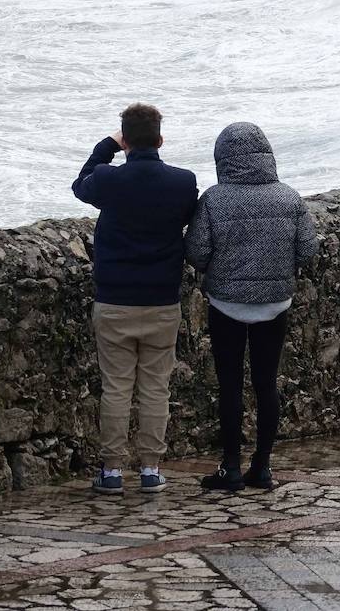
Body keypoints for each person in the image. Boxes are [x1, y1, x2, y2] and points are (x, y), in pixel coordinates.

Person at [72, 104, 198, 495]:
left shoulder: (110, 180)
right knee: (155, 388)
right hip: (162, 302)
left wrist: (106, 146)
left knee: (116, 388)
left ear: (125, 140)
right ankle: (150, 469)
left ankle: (111, 472)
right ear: (161, 140)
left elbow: (81, 184)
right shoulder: (182, 182)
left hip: (114, 302)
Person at [187, 122, 318, 492]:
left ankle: (230, 467)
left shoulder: (213, 199)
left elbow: (197, 252)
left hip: (226, 303)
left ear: (222, 159)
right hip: (275, 304)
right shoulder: (289, 197)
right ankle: (262, 467)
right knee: (265, 384)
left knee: (230, 385)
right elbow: (308, 249)